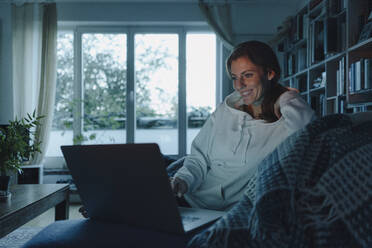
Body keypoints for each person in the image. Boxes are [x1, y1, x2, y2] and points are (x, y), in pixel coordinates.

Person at [170, 40, 315, 211]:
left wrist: (285, 96)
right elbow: (198, 159)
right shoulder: (225, 110)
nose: (239, 85)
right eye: (234, 77)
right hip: (189, 201)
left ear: (269, 73)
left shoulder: (286, 120)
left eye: (247, 75)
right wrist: (181, 181)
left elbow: (310, 130)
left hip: (230, 215)